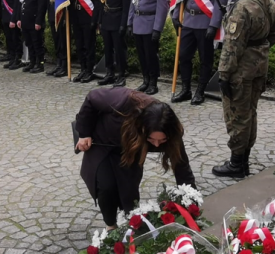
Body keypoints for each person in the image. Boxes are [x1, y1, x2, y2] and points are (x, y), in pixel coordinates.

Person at [74, 88, 196, 229]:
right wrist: (84, 133)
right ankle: (111, 225)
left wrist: (191, 204)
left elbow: (182, 167)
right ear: (143, 127)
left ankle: (130, 223)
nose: (156, 144)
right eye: (152, 139)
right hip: (103, 142)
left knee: (129, 190)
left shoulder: (171, 132)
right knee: (106, 187)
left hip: (131, 148)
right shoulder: (124, 100)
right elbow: (92, 97)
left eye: (161, 141)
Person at [212, 0, 275, 178]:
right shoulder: (269, 1)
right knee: (250, 113)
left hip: (240, 70)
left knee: (237, 116)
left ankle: (237, 163)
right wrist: (259, 48)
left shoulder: (243, 6)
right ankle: (243, 159)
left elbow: (232, 45)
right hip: (259, 66)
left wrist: (223, 74)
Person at [171, 0, 229, 105]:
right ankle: (186, 89)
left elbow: (221, 3)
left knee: (205, 59)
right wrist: (176, 15)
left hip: (205, 23)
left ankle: (200, 91)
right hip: (188, 20)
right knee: (184, 56)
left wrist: (214, 25)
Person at [127, 0, 169, 95]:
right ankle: (145, 80)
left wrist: (158, 28)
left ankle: (153, 82)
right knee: (142, 55)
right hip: (138, 23)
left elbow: (162, 8)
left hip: (150, 24)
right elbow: (133, 4)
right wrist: (130, 22)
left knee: (151, 55)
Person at [97, 0, 132, 87]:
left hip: (117, 19)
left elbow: (126, 5)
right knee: (108, 48)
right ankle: (109, 73)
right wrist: (100, 21)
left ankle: (121, 74)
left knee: (119, 49)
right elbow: (101, 3)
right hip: (106, 18)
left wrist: (124, 24)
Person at [70, 0, 102, 83]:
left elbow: (97, 1)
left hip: (88, 17)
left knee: (89, 45)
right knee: (79, 44)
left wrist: (95, 20)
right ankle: (82, 69)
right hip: (77, 16)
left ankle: (89, 70)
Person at [15, 0, 49, 73]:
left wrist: (38, 22)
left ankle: (40, 64)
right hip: (26, 21)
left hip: (35, 22)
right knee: (29, 43)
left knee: (37, 44)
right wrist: (20, 19)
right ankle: (32, 62)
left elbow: (41, 9)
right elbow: (22, 5)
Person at [0, 0, 23, 68]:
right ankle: (11, 57)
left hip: (12, 16)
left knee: (15, 39)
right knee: (9, 38)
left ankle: (17, 59)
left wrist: (14, 19)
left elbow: (17, 4)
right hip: (5, 16)